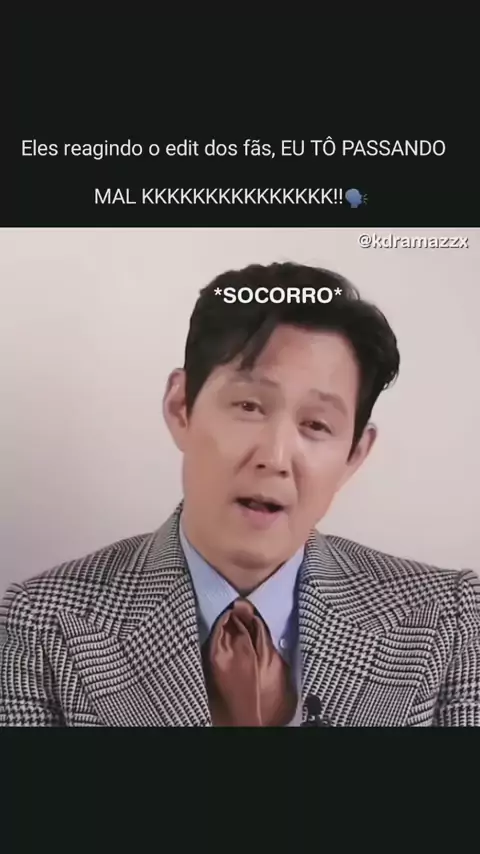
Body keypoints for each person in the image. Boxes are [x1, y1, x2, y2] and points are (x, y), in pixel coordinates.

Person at [1, 261, 479, 727]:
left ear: (355, 454)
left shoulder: (449, 620)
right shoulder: (38, 626)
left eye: (316, 425)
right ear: (181, 407)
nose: (275, 456)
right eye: (249, 405)